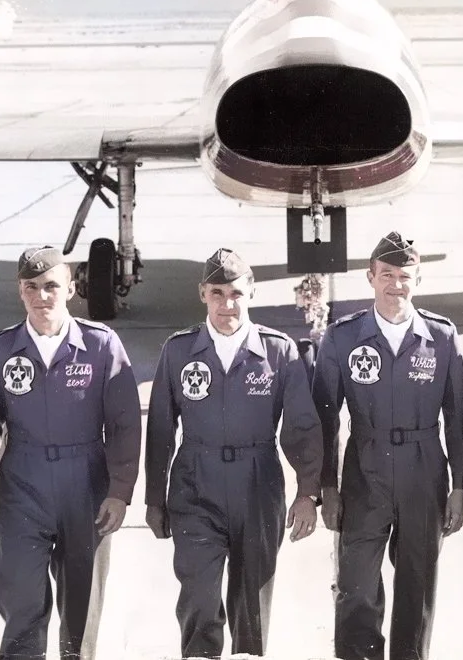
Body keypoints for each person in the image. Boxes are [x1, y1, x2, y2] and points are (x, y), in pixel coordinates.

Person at [144, 247, 323, 659]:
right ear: (203, 294)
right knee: (199, 597)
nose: (228, 304)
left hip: (258, 485)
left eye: (237, 294)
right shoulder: (178, 351)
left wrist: (307, 492)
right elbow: (160, 431)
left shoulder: (278, 352)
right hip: (195, 484)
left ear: (252, 292)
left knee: (252, 605)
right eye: (218, 293)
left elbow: (301, 428)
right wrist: (155, 498)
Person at [0, 246, 141, 660]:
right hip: (22, 487)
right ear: (20, 292)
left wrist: (119, 491)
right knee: (22, 601)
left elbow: (124, 423)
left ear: (70, 289)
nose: (41, 296)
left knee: (81, 611)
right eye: (31, 287)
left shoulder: (101, 345)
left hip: (86, 486)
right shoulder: (2, 350)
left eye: (51, 286)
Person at [312, 231, 463, 660]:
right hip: (365, 468)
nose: (395, 285)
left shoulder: (441, 337)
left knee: (417, 585)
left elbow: (458, 419)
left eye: (405, 276)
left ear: (417, 279)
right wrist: (327, 486)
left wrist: (459, 487)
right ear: (370, 277)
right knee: (356, 583)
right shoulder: (343, 338)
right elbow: (324, 419)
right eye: (387, 275)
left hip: (424, 469)